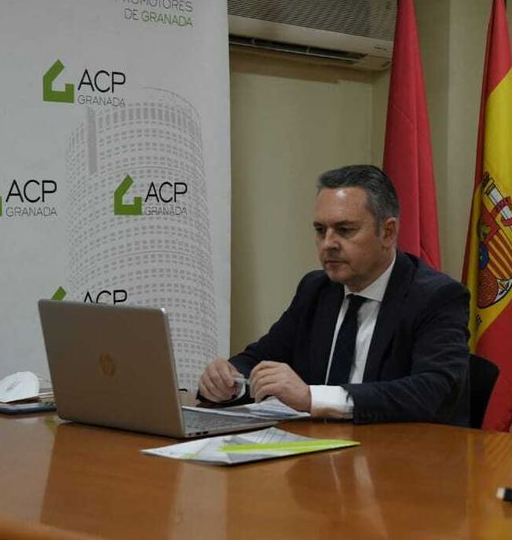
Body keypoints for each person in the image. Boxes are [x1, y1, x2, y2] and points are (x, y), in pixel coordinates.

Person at [199, 164, 470, 424]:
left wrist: (312, 397)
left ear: (388, 232)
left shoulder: (437, 297)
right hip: (319, 453)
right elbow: (262, 357)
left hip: (400, 458)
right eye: (320, 230)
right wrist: (229, 379)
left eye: (345, 230)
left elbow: (433, 390)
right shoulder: (316, 289)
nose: (328, 244)